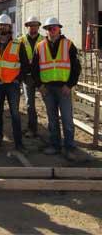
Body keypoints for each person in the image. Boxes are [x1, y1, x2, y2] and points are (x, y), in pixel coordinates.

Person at [32, 17, 81, 161]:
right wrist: (40, 85)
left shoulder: (68, 44)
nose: (51, 31)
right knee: (52, 120)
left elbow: (76, 68)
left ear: (59, 29)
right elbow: (34, 68)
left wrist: (69, 85)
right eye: (49, 29)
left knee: (67, 119)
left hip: (63, 89)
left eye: (54, 28)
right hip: (47, 89)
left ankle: (69, 147)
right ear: (46, 31)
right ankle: (55, 145)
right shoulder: (40, 46)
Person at [0, 14, 30, 153]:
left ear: (10, 27)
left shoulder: (17, 44)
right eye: (0, 25)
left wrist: (18, 79)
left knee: (15, 115)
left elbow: (25, 65)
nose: (3, 27)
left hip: (12, 85)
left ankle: (18, 144)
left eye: (5, 25)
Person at [19, 16, 44, 138]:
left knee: (48, 103)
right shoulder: (21, 41)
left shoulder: (44, 40)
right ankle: (32, 128)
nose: (33, 27)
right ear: (27, 26)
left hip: (41, 77)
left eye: (35, 25)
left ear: (38, 26)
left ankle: (51, 129)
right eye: (30, 25)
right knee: (30, 104)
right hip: (27, 77)